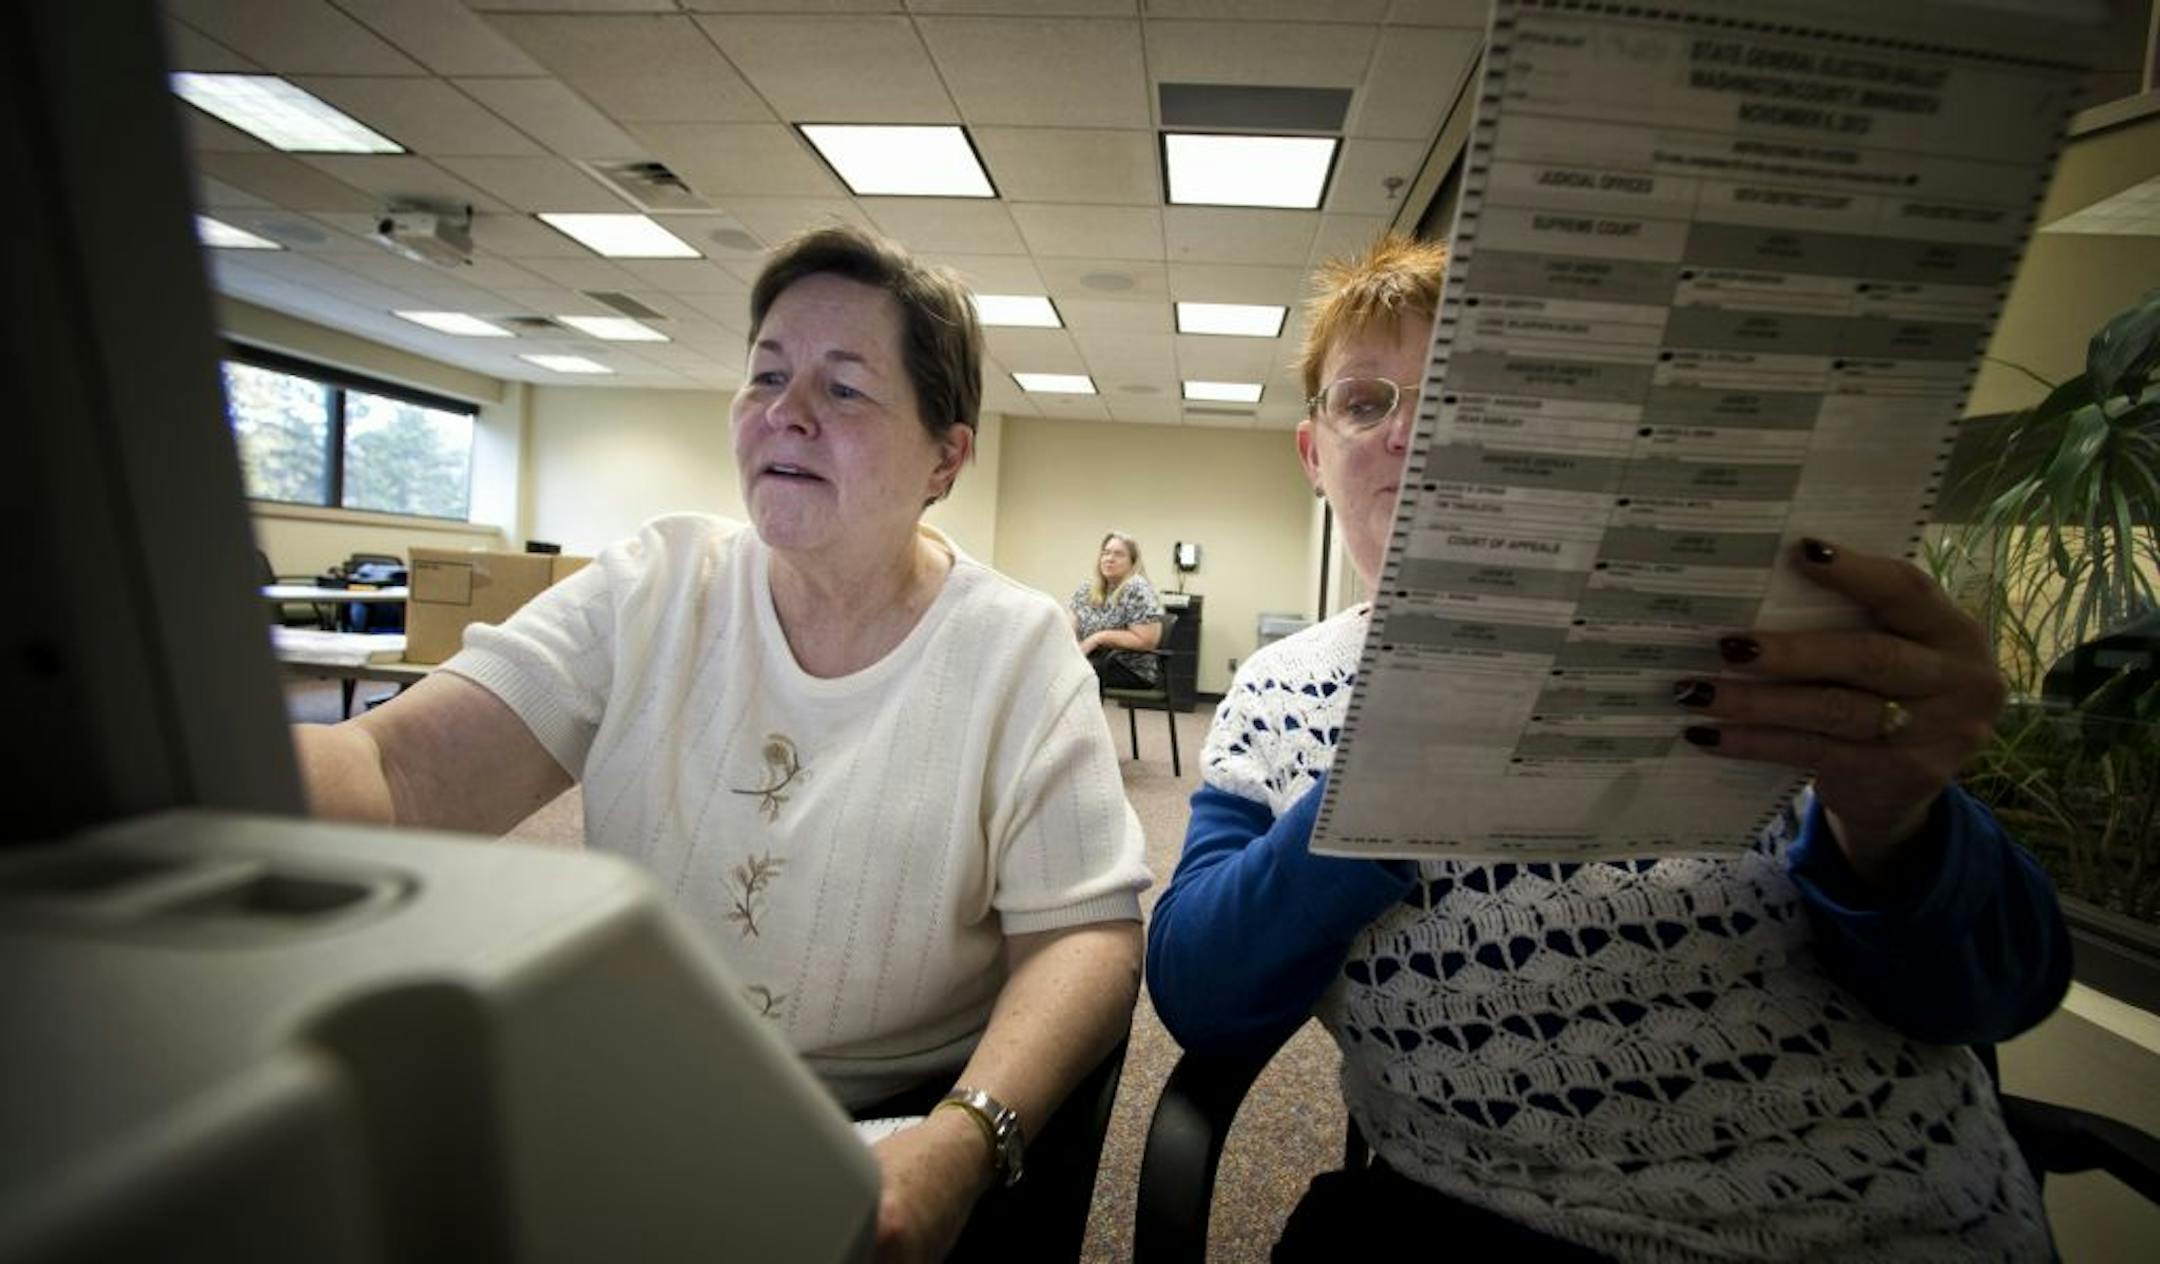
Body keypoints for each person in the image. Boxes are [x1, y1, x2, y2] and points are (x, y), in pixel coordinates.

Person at [1146, 232, 2071, 1261]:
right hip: (1486, 1220)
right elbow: (1200, 994)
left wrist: (1895, 826)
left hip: (1890, 1220)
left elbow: (2006, 990)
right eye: (1369, 403)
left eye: (1471, 393)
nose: (1418, 433)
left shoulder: (1734, 637)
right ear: (1316, 455)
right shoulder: (1281, 693)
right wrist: (1384, 775)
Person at [296, 224, 1150, 1262]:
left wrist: (964, 1135)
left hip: (890, 1115)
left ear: (946, 455)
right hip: (640, 1096)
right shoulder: (654, 585)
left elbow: (1085, 940)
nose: (785, 413)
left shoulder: (1016, 651)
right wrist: (195, 767)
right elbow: (398, 768)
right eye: (765, 376)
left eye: (842, 389)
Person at [1069, 531, 1165, 689]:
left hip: (1130, 668)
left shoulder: (1137, 588)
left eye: (1119, 554)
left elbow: (1147, 640)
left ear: (1132, 562)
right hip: (1095, 659)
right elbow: (1070, 626)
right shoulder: (1087, 589)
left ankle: (1082, 714)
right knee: (1053, 666)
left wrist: (1099, 638)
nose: (1110, 559)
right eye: (1106, 553)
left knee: (1082, 673)